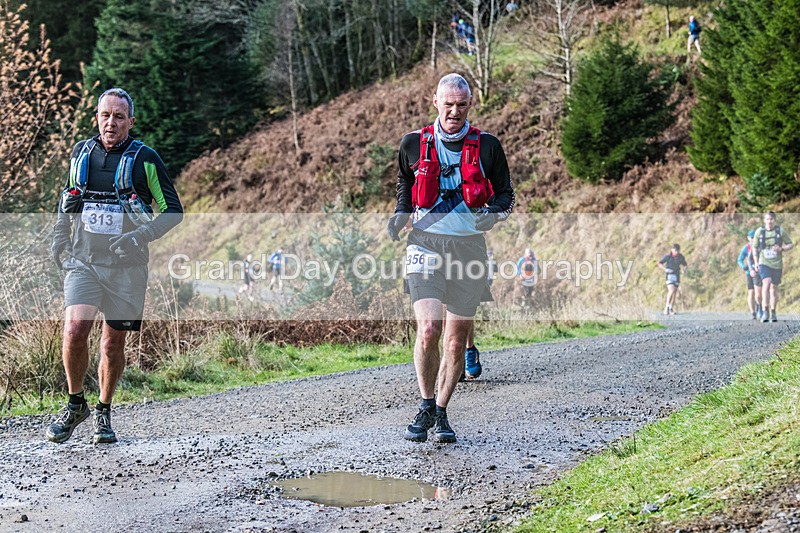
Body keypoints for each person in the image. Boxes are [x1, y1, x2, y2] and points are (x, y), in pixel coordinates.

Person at [48, 88, 183, 444]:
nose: (111, 123)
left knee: (111, 344)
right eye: (105, 115)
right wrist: (60, 235)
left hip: (127, 267)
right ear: (96, 116)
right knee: (76, 329)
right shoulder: (82, 152)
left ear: (130, 122)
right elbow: (67, 198)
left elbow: (173, 211)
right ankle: (76, 404)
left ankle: (104, 412)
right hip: (84, 261)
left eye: (119, 117)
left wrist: (139, 236)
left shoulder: (146, 159)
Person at [388, 73, 515, 443]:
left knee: (456, 342)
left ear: (470, 104)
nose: (455, 111)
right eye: (449, 104)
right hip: (424, 243)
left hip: (469, 249)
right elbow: (405, 185)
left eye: (461, 105)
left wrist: (491, 214)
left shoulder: (489, 146)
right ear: (436, 102)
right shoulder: (413, 143)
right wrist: (400, 213)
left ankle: (441, 412)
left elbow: (506, 195)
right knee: (429, 329)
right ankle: (425, 403)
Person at [753, 212, 793, 322]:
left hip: (777, 263)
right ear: (764, 220)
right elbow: (755, 248)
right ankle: (765, 311)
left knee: (773, 288)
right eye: (767, 219)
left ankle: (773, 311)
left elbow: (790, 244)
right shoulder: (759, 232)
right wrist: (756, 262)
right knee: (766, 283)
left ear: (774, 220)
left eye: (771, 219)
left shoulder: (780, 231)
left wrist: (782, 249)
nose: (769, 221)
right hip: (763, 262)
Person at [737, 230, 763, 320]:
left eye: (754, 237)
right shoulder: (746, 248)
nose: (753, 239)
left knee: (759, 292)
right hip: (749, 273)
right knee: (751, 292)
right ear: (748, 238)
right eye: (751, 237)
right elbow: (739, 259)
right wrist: (743, 266)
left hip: (758, 272)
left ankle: (759, 308)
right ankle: (753, 312)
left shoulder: (760, 246)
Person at [658, 243, 687, 315]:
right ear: (672, 250)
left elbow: (685, 264)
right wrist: (665, 270)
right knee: (671, 290)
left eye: (677, 251)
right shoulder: (668, 256)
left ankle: (671, 308)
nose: (676, 252)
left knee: (674, 293)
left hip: (677, 275)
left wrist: (684, 270)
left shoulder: (680, 257)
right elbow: (659, 263)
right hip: (669, 275)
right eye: (675, 250)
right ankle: (666, 307)